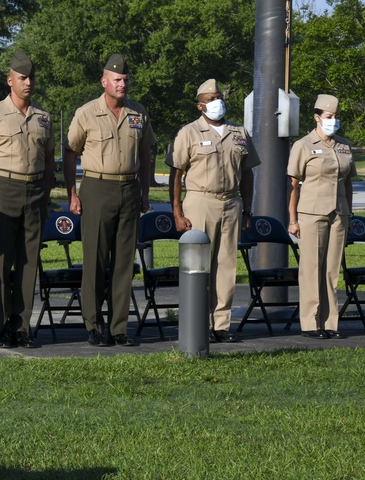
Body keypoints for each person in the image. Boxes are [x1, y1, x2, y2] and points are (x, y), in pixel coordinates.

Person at [65, 54, 154, 347]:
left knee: (124, 263)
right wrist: (72, 193)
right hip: (96, 188)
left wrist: (144, 191)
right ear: (104, 82)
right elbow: (70, 153)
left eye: (126, 79)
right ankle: (94, 325)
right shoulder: (87, 112)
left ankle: (119, 328)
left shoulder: (138, 113)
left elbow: (145, 154)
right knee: (95, 259)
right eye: (117, 79)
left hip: (128, 189)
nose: (122, 84)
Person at [0, 50, 54, 348]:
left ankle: (22, 328)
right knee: (2, 263)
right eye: (22, 78)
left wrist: (47, 195)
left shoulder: (43, 117)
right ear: (10, 80)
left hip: (35, 192)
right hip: (3, 188)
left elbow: (50, 158)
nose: (28, 82)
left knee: (29, 263)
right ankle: (2, 328)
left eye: (31, 77)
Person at [170, 79, 259, 343]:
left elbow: (247, 173)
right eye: (210, 99)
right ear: (200, 106)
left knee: (226, 265)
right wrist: (177, 211)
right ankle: (198, 323)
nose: (216, 102)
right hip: (200, 202)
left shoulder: (239, 132)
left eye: (218, 97)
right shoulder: (189, 132)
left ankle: (221, 325)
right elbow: (176, 174)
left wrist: (247, 211)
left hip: (231, 203)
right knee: (199, 267)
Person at [286, 94, 354, 339]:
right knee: (311, 268)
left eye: (336, 117)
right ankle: (310, 323)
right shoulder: (303, 145)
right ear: (317, 118)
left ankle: (329, 322)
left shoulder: (343, 145)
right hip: (311, 213)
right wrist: (292, 220)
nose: (333, 121)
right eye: (328, 117)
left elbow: (347, 183)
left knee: (331, 270)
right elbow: (292, 185)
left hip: (338, 213)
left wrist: (349, 212)